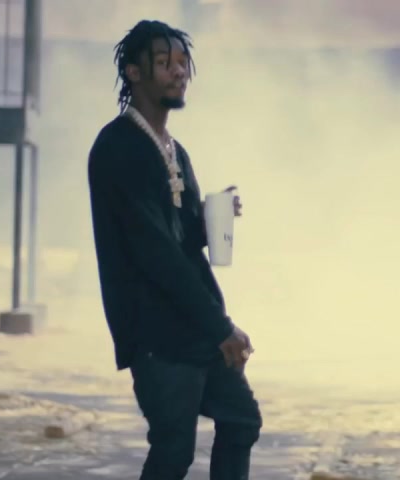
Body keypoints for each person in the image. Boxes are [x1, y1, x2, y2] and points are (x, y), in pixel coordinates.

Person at [87, 20, 262, 479]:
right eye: (164, 63)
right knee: (173, 451)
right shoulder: (120, 145)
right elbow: (154, 250)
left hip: (192, 325)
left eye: (182, 62)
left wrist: (207, 220)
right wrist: (220, 326)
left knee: (241, 420)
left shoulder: (173, 150)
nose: (178, 72)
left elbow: (177, 238)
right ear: (134, 72)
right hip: (155, 333)